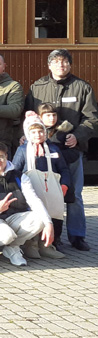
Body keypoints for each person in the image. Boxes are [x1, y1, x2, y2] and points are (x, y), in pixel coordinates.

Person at [25, 48, 97, 251]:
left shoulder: (82, 87)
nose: (61, 65)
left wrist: (79, 135)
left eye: (64, 62)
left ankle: (77, 236)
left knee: (74, 194)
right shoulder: (37, 87)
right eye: (56, 62)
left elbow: (92, 118)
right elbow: (28, 115)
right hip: (44, 150)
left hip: (71, 150)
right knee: (43, 192)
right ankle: (47, 237)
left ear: (70, 65)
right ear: (49, 65)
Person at [0, 140, 54, 266]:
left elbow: (34, 200)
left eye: (1, 157)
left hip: (14, 217)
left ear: (6, 156)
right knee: (6, 235)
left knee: (40, 219)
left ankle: (12, 248)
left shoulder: (19, 177)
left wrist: (48, 223)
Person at [12, 112, 70, 259]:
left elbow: (64, 168)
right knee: (36, 214)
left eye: (40, 131)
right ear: (27, 133)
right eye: (33, 132)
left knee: (55, 214)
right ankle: (31, 245)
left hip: (52, 187)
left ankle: (48, 245)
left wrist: (65, 184)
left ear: (45, 132)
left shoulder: (54, 149)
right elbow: (16, 170)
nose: (37, 135)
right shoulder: (23, 150)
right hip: (31, 187)